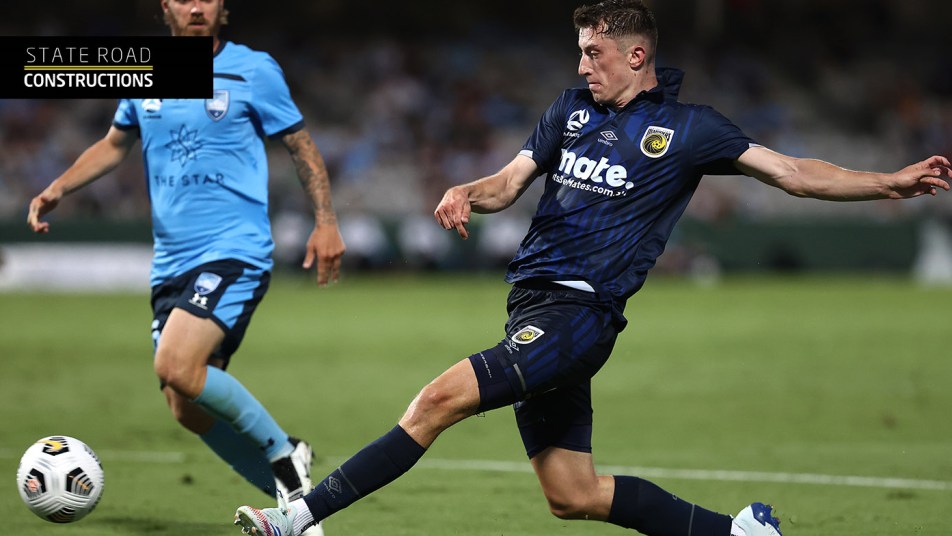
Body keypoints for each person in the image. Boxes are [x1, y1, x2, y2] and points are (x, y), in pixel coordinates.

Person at [234, 0, 951, 535]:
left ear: (636, 56)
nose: (581, 66)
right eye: (580, 53)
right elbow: (509, 182)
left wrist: (890, 182)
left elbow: (794, 172)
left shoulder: (692, 130)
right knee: (572, 494)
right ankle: (738, 533)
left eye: (593, 53)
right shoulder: (569, 111)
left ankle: (295, 519)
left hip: (580, 315)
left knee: (436, 401)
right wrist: (465, 193)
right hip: (533, 307)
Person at [27, 1, 345, 533]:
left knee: (175, 365)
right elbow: (113, 144)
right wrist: (59, 187)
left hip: (233, 248)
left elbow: (300, 145)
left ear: (223, 8)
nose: (196, 6)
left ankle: (287, 459)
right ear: (165, 8)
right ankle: (293, 505)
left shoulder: (254, 69)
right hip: (170, 261)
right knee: (185, 404)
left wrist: (326, 220)